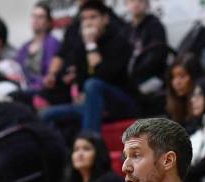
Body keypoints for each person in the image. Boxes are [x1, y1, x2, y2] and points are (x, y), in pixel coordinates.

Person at [40, 0, 137, 134]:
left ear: (105, 19)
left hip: (119, 101)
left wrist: (91, 45)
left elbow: (103, 76)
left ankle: (91, 142)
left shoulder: (118, 40)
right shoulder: (81, 45)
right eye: (84, 19)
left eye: (93, 17)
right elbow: (81, 78)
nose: (88, 22)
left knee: (93, 85)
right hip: (92, 103)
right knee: (46, 115)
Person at [125, 0, 169, 100]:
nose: (136, 4)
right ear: (126, 4)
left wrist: (135, 72)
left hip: (153, 76)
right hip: (131, 78)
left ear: (147, 4)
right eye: (131, 1)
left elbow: (157, 56)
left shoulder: (155, 26)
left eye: (140, 1)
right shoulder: (126, 29)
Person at [18, 3, 62, 96]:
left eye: (41, 17)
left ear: (48, 21)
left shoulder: (52, 43)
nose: (36, 20)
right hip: (24, 87)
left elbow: (50, 74)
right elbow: (17, 68)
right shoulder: (25, 46)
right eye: (34, 16)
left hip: (43, 90)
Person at [165, 53, 202, 126]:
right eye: (173, 77)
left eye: (182, 76)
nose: (176, 82)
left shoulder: (204, 106)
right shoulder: (172, 106)